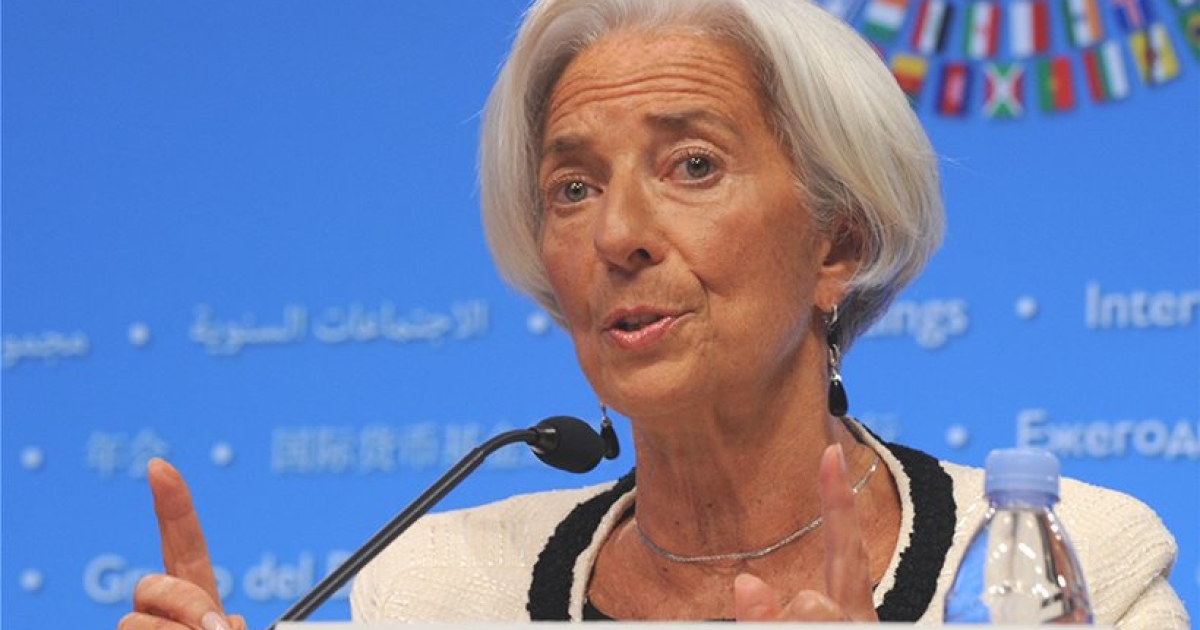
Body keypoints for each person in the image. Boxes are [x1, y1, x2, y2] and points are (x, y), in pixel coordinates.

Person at [119, 0, 1189, 627]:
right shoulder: (438, 593)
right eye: (573, 187)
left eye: (692, 165)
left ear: (838, 244)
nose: (618, 233)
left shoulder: (1067, 564)